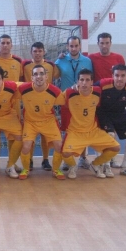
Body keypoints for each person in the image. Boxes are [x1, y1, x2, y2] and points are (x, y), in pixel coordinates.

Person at [61, 69, 120, 179]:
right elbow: (56, 99)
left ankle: (95, 164)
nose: (84, 83)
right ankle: (73, 166)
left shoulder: (97, 92)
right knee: (65, 153)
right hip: (75, 132)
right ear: (77, 82)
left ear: (92, 82)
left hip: (93, 131)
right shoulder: (69, 93)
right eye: (81, 80)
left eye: (87, 80)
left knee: (115, 148)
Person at [18, 65, 74, 180]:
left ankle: (56, 169)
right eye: (35, 74)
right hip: (31, 122)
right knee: (26, 146)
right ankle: (25, 169)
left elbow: (68, 101)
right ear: (32, 78)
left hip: (48, 121)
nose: (39, 76)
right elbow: (8, 85)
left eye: (41, 74)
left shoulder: (54, 91)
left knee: (59, 145)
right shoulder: (23, 88)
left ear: (46, 76)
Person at [89, 32, 126, 169]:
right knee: (100, 128)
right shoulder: (91, 58)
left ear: (110, 43)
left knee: (113, 129)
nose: (104, 45)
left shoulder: (118, 58)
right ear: (98, 44)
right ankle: (100, 158)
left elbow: (123, 76)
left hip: (115, 98)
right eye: (102, 43)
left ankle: (111, 158)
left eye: (107, 43)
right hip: (98, 98)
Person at [95, 64, 126, 177]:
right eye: (117, 75)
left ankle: (125, 167)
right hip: (103, 113)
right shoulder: (103, 84)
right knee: (110, 136)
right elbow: (88, 92)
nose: (119, 78)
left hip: (120, 113)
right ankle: (106, 165)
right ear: (112, 76)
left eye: (123, 76)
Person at [0, 34, 23, 172]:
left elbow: (21, 81)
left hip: (14, 103)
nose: (5, 45)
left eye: (8, 42)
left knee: (12, 135)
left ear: (11, 45)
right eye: (3, 43)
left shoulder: (19, 61)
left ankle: (11, 162)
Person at [55, 36, 93, 170]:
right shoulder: (60, 60)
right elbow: (52, 74)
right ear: (67, 47)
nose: (74, 48)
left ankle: (83, 158)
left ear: (80, 46)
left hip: (83, 101)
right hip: (66, 101)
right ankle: (68, 159)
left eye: (76, 46)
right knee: (66, 131)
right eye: (71, 46)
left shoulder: (87, 61)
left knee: (83, 129)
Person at [21, 41, 60, 171]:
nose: (37, 53)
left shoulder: (50, 65)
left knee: (45, 135)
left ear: (44, 52)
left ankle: (45, 159)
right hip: (30, 101)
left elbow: (57, 76)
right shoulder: (25, 64)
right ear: (31, 52)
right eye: (35, 51)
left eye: (40, 51)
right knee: (29, 138)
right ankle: (30, 160)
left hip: (46, 103)